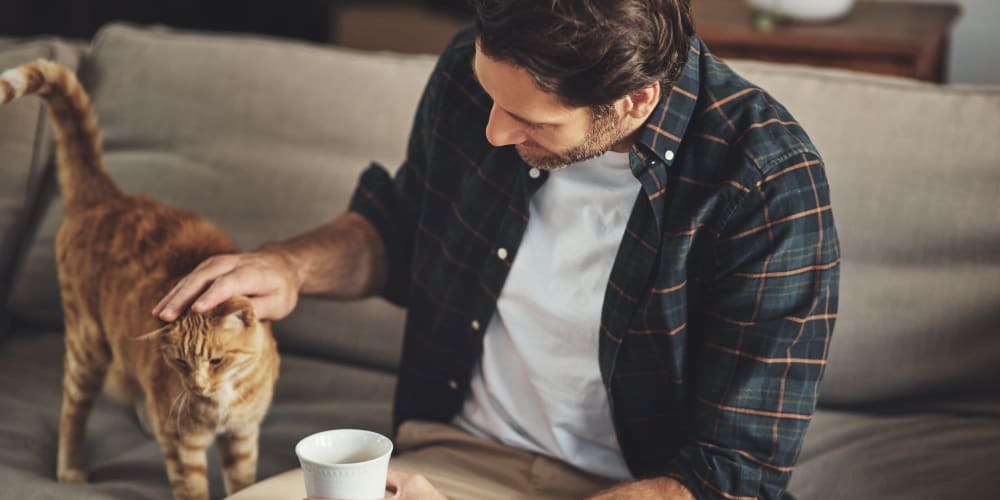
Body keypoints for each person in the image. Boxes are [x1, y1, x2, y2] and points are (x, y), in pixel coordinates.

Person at [154, 1, 839, 498]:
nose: (493, 132)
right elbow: (401, 226)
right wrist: (289, 267)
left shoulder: (765, 182)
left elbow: (731, 477)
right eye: (489, 97)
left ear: (635, 101)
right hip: (447, 459)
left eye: (530, 119)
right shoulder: (471, 67)